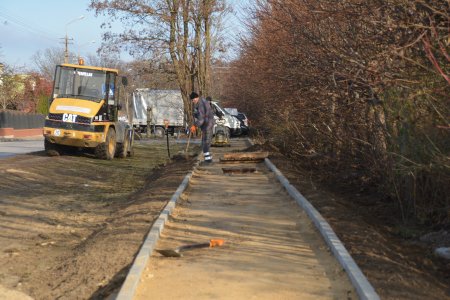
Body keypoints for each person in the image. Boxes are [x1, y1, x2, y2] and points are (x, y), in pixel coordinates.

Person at [190, 92, 215, 164]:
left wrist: (195, 125)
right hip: (207, 125)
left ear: (196, 97)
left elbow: (201, 119)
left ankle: (208, 161)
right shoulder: (203, 101)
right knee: (206, 143)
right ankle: (208, 159)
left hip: (207, 125)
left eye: (193, 99)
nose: (193, 101)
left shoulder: (201, 104)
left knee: (205, 143)